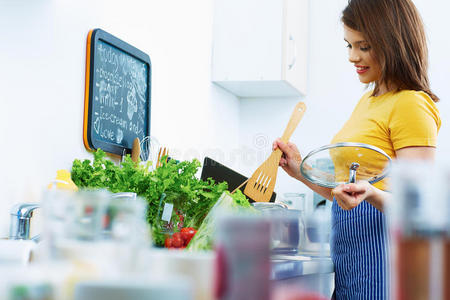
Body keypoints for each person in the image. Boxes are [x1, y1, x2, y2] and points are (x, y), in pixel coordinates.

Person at [273, 0, 441, 299]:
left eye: (363, 46)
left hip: (385, 261)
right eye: (348, 45)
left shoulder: (411, 104)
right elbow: (347, 193)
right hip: (351, 262)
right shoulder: (367, 102)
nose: (353, 57)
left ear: (392, 42)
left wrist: (373, 194)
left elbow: (420, 209)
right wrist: (299, 170)